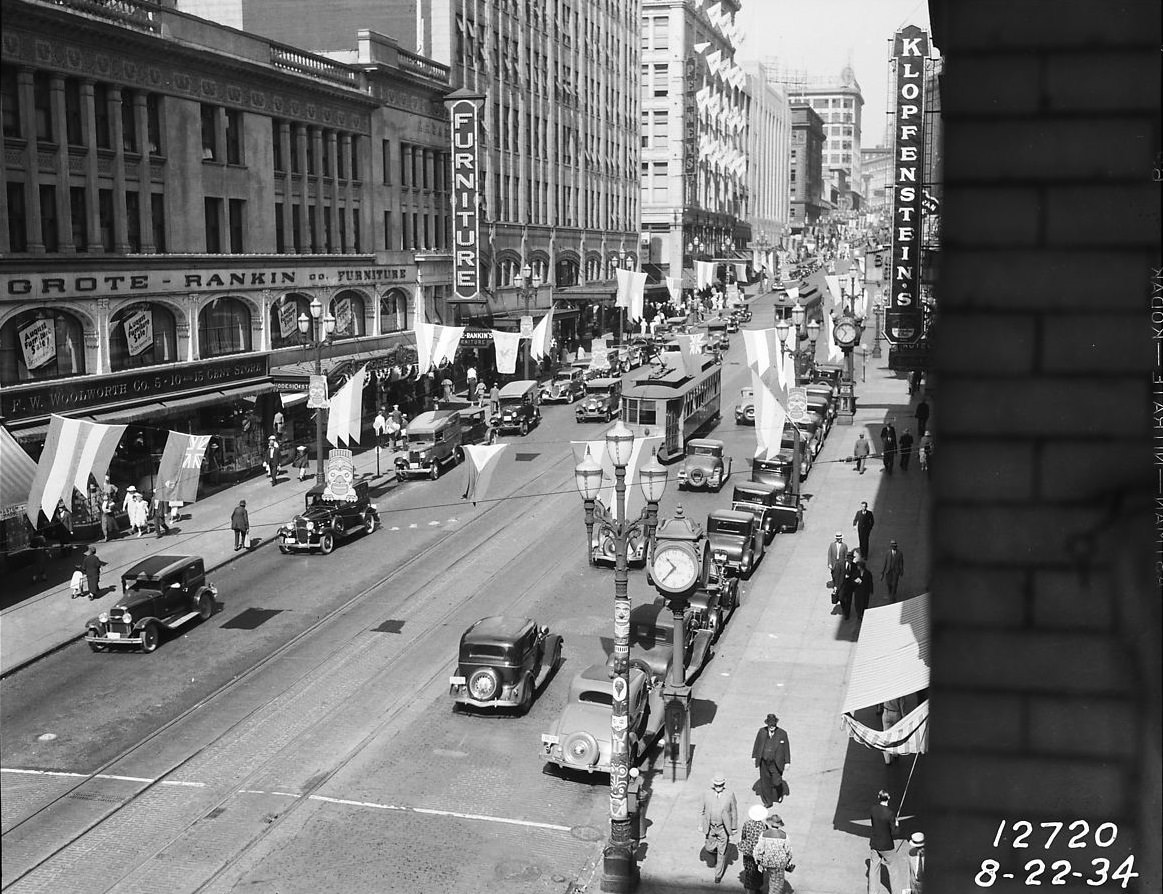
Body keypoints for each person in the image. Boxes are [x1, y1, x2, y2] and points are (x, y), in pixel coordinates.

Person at [698, 772, 738, 884]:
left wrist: (734, 827)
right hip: (710, 827)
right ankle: (714, 850)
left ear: (724, 784)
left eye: (720, 785)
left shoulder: (729, 795)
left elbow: (734, 811)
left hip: (723, 829)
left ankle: (718, 875)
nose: (718, 787)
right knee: (709, 848)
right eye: (716, 785)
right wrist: (701, 825)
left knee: (722, 853)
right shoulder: (706, 794)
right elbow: (701, 810)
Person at [751, 714, 791, 808]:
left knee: (776, 781)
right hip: (764, 761)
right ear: (767, 724)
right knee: (765, 782)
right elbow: (757, 744)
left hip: (776, 763)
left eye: (773, 724)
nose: (772, 726)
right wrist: (754, 756)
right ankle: (768, 801)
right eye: (770, 724)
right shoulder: (762, 732)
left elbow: (786, 748)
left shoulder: (782, 733)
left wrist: (787, 762)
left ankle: (779, 792)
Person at [753, 812, 794, 894]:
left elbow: (758, 849)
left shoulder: (764, 834)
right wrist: (788, 861)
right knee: (777, 884)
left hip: (767, 862)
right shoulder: (784, 835)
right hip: (779, 863)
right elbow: (789, 851)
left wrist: (758, 860)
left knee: (771, 878)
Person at [868, 790, 901, 894]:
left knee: (873, 869)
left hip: (875, 843)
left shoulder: (873, 809)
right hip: (887, 845)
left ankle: (873, 892)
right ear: (889, 798)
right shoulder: (890, 814)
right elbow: (895, 832)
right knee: (893, 869)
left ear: (879, 797)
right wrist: (896, 824)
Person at [739, 805, 769, 894]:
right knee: (758, 872)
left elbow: (743, 836)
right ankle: (757, 887)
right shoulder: (764, 826)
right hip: (758, 853)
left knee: (749, 871)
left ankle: (748, 891)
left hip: (748, 851)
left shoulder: (747, 823)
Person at [879, 697, 905, 765]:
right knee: (895, 735)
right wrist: (903, 716)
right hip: (896, 713)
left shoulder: (886, 689)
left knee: (886, 737)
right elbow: (902, 705)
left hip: (886, 712)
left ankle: (887, 760)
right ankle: (895, 753)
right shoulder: (900, 692)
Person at [851, 550, 874, 621]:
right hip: (858, 591)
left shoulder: (867, 573)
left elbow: (870, 582)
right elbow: (852, 580)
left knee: (864, 603)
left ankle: (863, 614)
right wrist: (856, 582)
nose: (857, 567)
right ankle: (859, 614)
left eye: (858, 566)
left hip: (865, 591)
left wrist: (871, 590)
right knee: (858, 603)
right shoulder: (856, 573)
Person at [827, 532, 849, 601]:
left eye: (840, 538)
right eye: (838, 538)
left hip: (841, 563)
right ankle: (836, 586)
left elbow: (846, 556)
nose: (839, 539)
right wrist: (830, 563)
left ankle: (839, 588)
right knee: (835, 575)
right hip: (835, 563)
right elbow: (829, 555)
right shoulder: (832, 545)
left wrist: (846, 563)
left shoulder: (844, 546)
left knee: (841, 576)